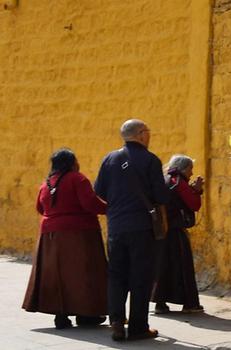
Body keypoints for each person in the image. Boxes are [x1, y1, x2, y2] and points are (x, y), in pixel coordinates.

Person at [94, 119, 170, 341]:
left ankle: (117, 321)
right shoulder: (150, 160)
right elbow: (161, 196)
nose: (149, 136)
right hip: (142, 228)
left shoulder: (109, 159)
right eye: (148, 132)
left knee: (116, 275)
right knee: (140, 276)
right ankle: (138, 327)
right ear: (140, 134)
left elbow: (99, 191)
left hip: (116, 226)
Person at [22, 148, 107, 329]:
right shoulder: (78, 179)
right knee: (82, 274)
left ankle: (61, 315)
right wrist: (111, 207)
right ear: (71, 163)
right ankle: (86, 314)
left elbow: (40, 208)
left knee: (56, 276)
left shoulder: (45, 184)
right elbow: (90, 203)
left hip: (49, 235)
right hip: (79, 233)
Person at [152, 154, 204, 314]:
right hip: (175, 230)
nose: (191, 173)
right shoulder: (179, 183)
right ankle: (189, 303)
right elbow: (194, 205)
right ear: (184, 169)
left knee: (163, 266)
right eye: (190, 169)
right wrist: (196, 191)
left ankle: (160, 303)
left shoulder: (165, 179)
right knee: (183, 266)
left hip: (161, 231)